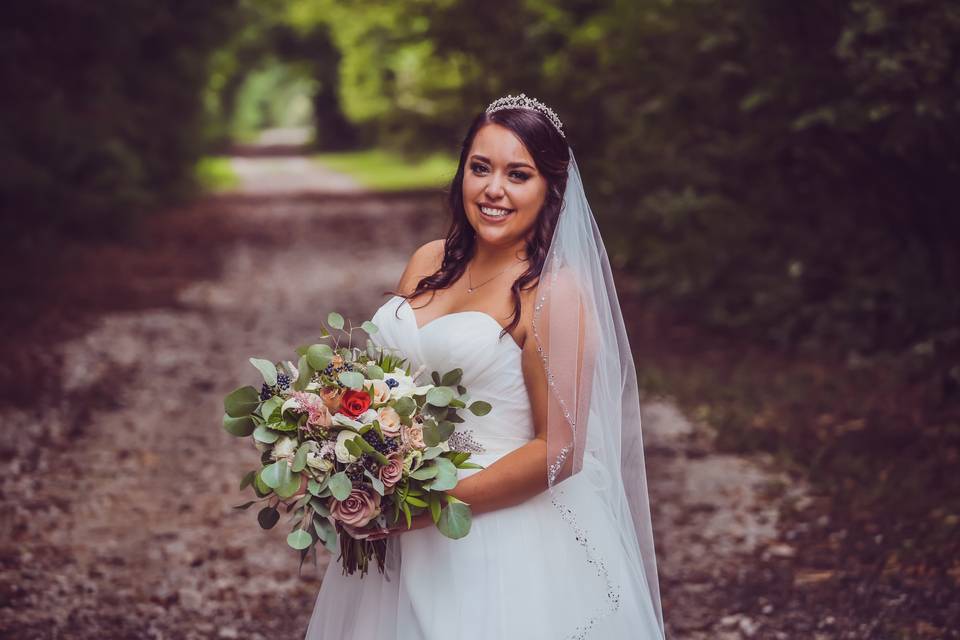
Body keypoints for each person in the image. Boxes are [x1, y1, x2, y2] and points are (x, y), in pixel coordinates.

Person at [304, 94, 665, 640]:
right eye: (481, 168)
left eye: (518, 174)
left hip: (497, 535)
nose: (494, 189)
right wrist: (344, 448)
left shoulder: (554, 293)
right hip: (398, 523)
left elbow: (559, 451)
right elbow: (387, 387)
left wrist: (429, 508)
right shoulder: (429, 261)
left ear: (549, 190)